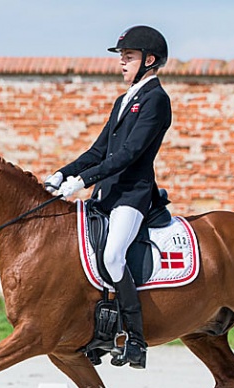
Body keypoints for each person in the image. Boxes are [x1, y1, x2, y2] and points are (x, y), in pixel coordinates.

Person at [44, 25, 172, 369]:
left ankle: (136, 339)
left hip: (132, 195)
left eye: (128, 57)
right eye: (122, 58)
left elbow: (130, 153)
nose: (122, 64)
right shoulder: (123, 101)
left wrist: (82, 181)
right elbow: (99, 150)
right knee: (81, 256)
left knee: (114, 256)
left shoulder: (156, 100)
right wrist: (63, 173)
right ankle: (98, 333)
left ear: (150, 60)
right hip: (106, 195)